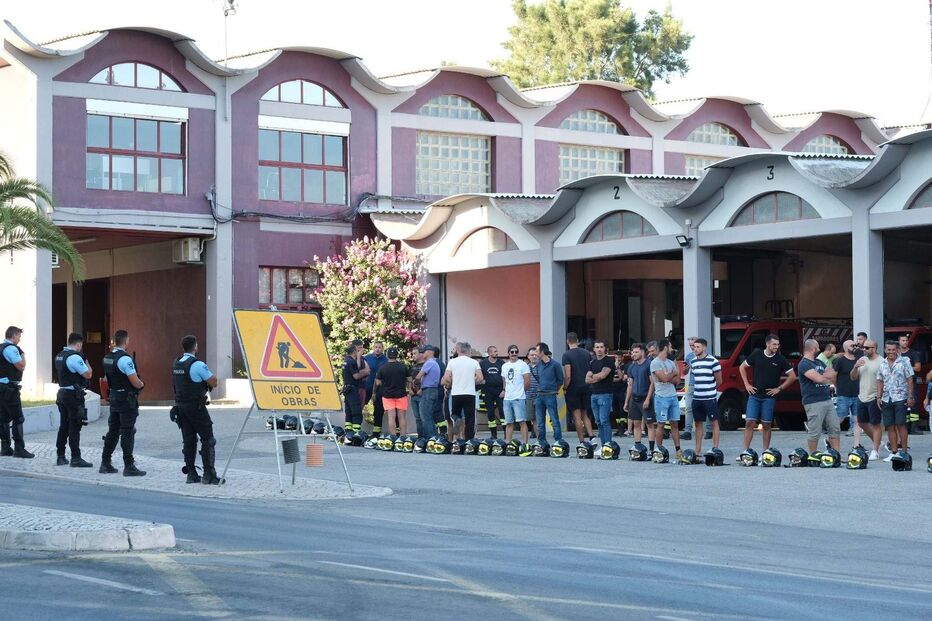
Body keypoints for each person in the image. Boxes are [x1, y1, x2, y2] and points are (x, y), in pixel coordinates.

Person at [172, 335, 219, 484]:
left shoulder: (177, 363)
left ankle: (191, 474)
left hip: (181, 407)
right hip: (196, 407)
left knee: (189, 440)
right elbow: (213, 381)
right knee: (208, 439)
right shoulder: (197, 364)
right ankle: (208, 475)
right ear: (195, 347)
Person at [739, 333, 795, 453]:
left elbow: (792, 376)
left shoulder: (780, 359)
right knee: (749, 422)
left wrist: (779, 389)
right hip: (754, 395)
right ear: (767, 344)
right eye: (774, 344)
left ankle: (765, 451)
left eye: (778, 344)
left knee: (767, 424)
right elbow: (742, 367)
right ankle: (745, 451)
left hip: (769, 397)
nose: (776, 346)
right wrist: (746, 384)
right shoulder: (757, 354)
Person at [101, 330, 146, 476]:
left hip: (114, 397)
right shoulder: (125, 360)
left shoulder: (108, 357)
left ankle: (105, 463)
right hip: (126, 399)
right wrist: (141, 384)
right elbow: (135, 381)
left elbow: (107, 379)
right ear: (126, 342)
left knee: (113, 431)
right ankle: (129, 466)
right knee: (127, 431)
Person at [53, 333, 93, 467]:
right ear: (78, 344)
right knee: (75, 426)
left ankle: (60, 456)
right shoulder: (75, 357)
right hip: (73, 395)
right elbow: (88, 374)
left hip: (62, 393)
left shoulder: (60, 355)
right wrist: (85, 359)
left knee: (64, 426)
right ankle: (76, 458)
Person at [798, 339, 840, 455]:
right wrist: (825, 376)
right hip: (813, 401)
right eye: (817, 347)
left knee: (834, 428)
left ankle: (836, 455)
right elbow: (819, 379)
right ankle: (813, 454)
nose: (819, 349)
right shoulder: (804, 364)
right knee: (815, 431)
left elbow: (832, 374)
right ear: (812, 349)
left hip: (827, 399)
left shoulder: (819, 362)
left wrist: (825, 375)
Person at [877, 340, 914, 461]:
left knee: (901, 424)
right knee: (890, 426)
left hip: (901, 397)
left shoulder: (905, 361)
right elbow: (880, 381)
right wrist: (878, 397)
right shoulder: (882, 363)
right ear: (885, 350)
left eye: (893, 349)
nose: (891, 352)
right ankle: (893, 452)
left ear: (897, 350)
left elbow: (910, 380)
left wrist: (910, 396)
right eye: (889, 350)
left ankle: (903, 452)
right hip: (887, 398)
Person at [0, 326, 34, 458]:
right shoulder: (11, 349)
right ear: (13, 336)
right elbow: (21, 366)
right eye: (19, 336)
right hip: (9, 388)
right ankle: (19, 449)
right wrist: (23, 355)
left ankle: (5, 447)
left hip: (2, 387)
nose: (19, 339)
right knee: (18, 417)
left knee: (3, 418)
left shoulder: (1, 347)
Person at [689, 338, 723, 456]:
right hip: (697, 398)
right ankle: (698, 450)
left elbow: (719, 380)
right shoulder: (693, 362)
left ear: (704, 348)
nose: (695, 349)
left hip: (709, 398)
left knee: (714, 422)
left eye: (698, 347)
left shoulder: (713, 361)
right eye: (694, 347)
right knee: (698, 423)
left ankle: (715, 448)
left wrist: (710, 389)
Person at [443, 342, 483, 440]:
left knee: (455, 413)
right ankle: (469, 441)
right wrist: (473, 382)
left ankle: (457, 419)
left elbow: (446, 377)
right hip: (470, 394)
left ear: (458, 350)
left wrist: (453, 383)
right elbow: (480, 378)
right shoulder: (474, 362)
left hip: (456, 393)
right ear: (469, 350)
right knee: (470, 419)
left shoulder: (452, 362)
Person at [851, 339, 883, 460]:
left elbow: (883, 381)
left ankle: (875, 450)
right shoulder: (862, 360)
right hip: (862, 396)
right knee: (862, 423)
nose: (864, 349)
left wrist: (880, 396)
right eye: (863, 347)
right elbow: (853, 377)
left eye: (867, 348)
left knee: (876, 424)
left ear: (874, 349)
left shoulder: (881, 362)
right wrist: (855, 367)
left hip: (874, 396)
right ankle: (877, 441)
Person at [650, 339, 681, 459]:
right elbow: (664, 378)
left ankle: (678, 449)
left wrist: (670, 375)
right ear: (665, 348)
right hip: (661, 397)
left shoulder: (670, 362)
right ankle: (659, 450)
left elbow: (677, 380)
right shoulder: (655, 363)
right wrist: (671, 374)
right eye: (670, 346)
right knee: (661, 424)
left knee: (675, 424)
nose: (672, 348)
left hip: (672, 396)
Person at [563, 332, 595, 444]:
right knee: (585, 414)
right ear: (577, 340)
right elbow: (591, 369)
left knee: (576, 416)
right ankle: (591, 436)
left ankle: (582, 441)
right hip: (586, 386)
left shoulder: (566, 355)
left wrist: (565, 388)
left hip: (573, 388)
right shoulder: (586, 353)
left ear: (567, 341)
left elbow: (568, 376)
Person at [584, 341, 616, 447]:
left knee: (604, 420)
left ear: (605, 348)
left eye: (601, 347)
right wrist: (595, 377)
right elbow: (587, 380)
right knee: (598, 421)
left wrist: (593, 376)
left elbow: (603, 375)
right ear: (594, 349)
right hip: (594, 394)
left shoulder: (609, 361)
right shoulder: (592, 363)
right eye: (597, 347)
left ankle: (608, 445)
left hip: (605, 394)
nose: (599, 349)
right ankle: (603, 446)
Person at [623, 343, 654, 448]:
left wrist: (648, 399)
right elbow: (630, 385)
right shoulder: (631, 367)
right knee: (636, 424)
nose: (633, 354)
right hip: (634, 399)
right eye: (632, 352)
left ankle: (651, 449)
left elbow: (652, 383)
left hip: (645, 397)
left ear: (642, 352)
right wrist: (627, 401)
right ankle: (638, 447)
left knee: (649, 424)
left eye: (636, 352)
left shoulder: (649, 364)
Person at [533, 342, 563, 444]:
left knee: (554, 420)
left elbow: (560, 380)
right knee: (540, 422)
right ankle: (542, 442)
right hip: (539, 395)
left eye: (537, 351)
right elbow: (538, 379)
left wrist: (555, 389)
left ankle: (558, 441)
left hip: (550, 395)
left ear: (542, 351)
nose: (536, 353)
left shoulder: (555, 365)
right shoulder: (538, 365)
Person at [376, 347, 409, 437]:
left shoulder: (382, 368)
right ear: (396, 355)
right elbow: (409, 379)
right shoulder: (403, 367)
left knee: (391, 417)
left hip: (387, 395)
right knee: (402, 417)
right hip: (401, 394)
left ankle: (393, 437)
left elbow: (378, 382)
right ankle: (403, 437)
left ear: (387, 356)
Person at [832, 340, 861, 445]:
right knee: (840, 418)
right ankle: (830, 440)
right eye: (852, 345)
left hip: (857, 394)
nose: (854, 347)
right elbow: (833, 375)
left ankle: (856, 445)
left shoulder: (858, 360)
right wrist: (837, 386)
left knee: (857, 421)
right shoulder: (840, 360)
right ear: (845, 348)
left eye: (855, 345)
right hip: (843, 394)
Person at [501, 344, 531, 445]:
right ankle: (508, 443)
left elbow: (527, 380)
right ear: (508, 353)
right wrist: (504, 390)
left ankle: (525, 444)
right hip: (507, 398)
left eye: (516, 352)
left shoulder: (523, 364)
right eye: (512, 352)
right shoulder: (504, 366)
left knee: (522, 421)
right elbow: (504, 381)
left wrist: (522, 392)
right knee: (508, 422)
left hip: (519, 397)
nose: (514, 353)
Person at [897, 334, 924, 435]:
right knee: (902, 406)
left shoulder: (913, 353)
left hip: (912, 382)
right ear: (899, 342)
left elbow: (918, 368)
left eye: (906, 340)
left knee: (913, 405)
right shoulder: (896, 354)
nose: (905, 342)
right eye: (903, 340)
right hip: (899, 384)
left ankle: (914, 427)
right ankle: (905, 427)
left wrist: (905, 366)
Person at [341, 342, 369, 434]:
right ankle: (356, 432)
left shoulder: (345, 360)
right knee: (356, 411)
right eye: (357, 351)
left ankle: (348, 431)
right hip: (352, 389)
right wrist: (365, 373)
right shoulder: (352, 362)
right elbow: (356, 376)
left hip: (346, 388)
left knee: (348, 411)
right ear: (354, 352)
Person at [414, 345, 440, 439]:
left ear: (429, 352)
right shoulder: (435, 363)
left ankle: (430, 438)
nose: (422, 354)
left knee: (425, 416)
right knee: (429, 416)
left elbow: (418, 377)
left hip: (428, 392)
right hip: (432, 391)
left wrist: (414, 384)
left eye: (423, 352)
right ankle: (434, 437)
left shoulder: (429, 363)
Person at [479, 346, 504, 439]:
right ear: (489, 353)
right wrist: (481, 380)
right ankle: (493, 434)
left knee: (502, 412)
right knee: (490, 412)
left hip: (500, 391)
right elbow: (478, 374)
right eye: (494, 351)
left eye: (497, 351)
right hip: (487, 391)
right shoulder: (482, 363)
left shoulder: (501, 363)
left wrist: (504, 390)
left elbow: (504, 377)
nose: (496, 353)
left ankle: (506, 433)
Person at [363, 341, 387, 436]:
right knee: (359, 407)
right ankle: (356, 431)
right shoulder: (366, 358)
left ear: (382, 349)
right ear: (373, 348)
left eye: (380, 347)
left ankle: (376, 432)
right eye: (376, 347)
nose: (377, 349)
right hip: (366, 387)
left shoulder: (386, 360)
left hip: (379, 389)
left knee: (378, 410)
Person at [612, 350, 628, 437]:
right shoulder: (611, 366)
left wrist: (618, 368)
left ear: (622, 357)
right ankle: (618, 428)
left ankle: (623, 428)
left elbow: (622, 378)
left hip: (622, 391)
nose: (618, 359)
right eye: (616, 358)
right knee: (615, 410)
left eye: (619, 357)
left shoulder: (625, 367)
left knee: (622, 411)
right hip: (613, 391)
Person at [526, 347, 540, 438]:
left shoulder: (542, 366)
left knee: (539, 418)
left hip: (540, 396)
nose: (534, 356)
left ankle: (540, 438)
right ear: (528, 357)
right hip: (529, 396)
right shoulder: (525, 368)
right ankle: (538, 437)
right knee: (533, 418)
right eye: (532, 355)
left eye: (535, 355)